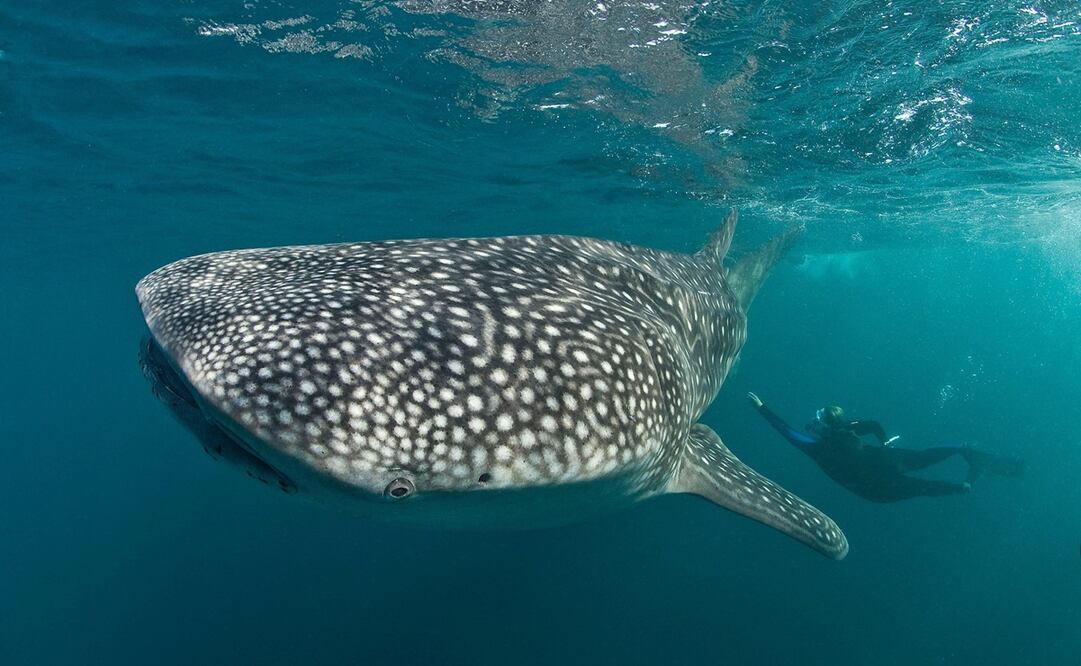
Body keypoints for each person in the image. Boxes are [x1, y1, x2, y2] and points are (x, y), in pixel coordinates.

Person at [747, 392, 1023, 502]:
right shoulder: (849, 427)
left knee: (923, 487)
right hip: (884, 460)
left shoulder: (815, 447)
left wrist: (762, 408)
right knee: (924, 458)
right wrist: (885, 442)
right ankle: (963, 450)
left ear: (823, 424)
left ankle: (964, 486)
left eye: (819, 418)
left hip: (873, 488)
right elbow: (874, 424)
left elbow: (787, 431)